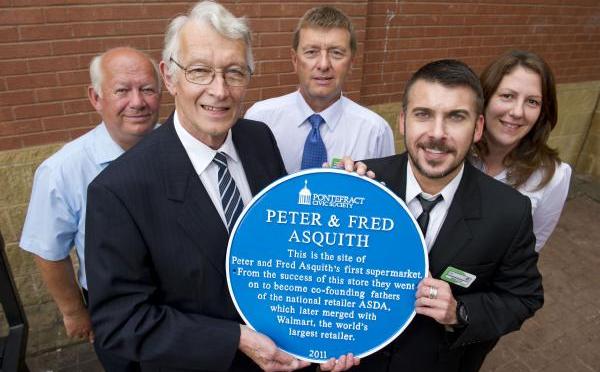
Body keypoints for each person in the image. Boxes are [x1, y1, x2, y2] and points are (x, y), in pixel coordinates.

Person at [85, 2, 358, 371]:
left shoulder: (258, 139)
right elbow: (121, 323)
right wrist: (235, 339)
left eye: (234, 72)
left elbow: (286, 244)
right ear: (169, 76)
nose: (220, 90)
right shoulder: (119, 190)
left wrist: (351, 197)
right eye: (199, 71)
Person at [353, 60, 543, 372]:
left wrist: (460, 311)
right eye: (423, 114)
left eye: (456, 117)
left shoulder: (509, 211)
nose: (437, 134)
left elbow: (523, 298)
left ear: (478, 128)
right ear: (402, 121)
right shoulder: (362, 184)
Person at [20, 46, 160, 370]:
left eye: (147, 89)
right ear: (95, 98)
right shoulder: (62, 170)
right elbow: (48, 249)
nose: (137, 102)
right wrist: (73, 311)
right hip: (116, 309)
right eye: (122, 90)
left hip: (183, 303)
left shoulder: (182, 149)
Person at [245, 5, 394, 173]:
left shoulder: (375, 132)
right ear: (295, 60)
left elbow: (383, 194)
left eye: (336, 53)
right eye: (311, 52)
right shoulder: (259, 119)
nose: (323, 65)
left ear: (351, 63)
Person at [471, 50, 571, 251]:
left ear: (543, 112)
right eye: (507, 96)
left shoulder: (553, 176)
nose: (517, 112)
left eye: (532, 102)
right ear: (485, 98)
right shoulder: (453, 154)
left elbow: (531, 246)